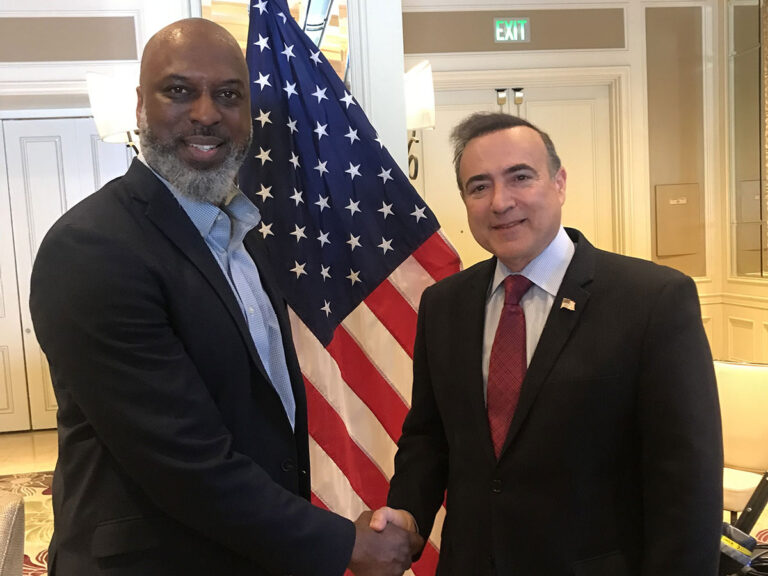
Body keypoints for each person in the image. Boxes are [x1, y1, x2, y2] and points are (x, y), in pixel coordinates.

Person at [30, 18, 419, 576]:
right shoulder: (93, 248)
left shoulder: (244, 237)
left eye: (229, 95)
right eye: (179, 90)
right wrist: (344, 544)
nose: (207, 114)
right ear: (141, 105)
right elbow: (183, 461)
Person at [371, 112, 723, 575]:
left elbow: (687, 485)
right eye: (479, 187)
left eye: (520, 177)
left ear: (559, 183)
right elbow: (428, 437)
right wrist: (408, 515)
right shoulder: (444, 305)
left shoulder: (653, 300)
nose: (500, 202)